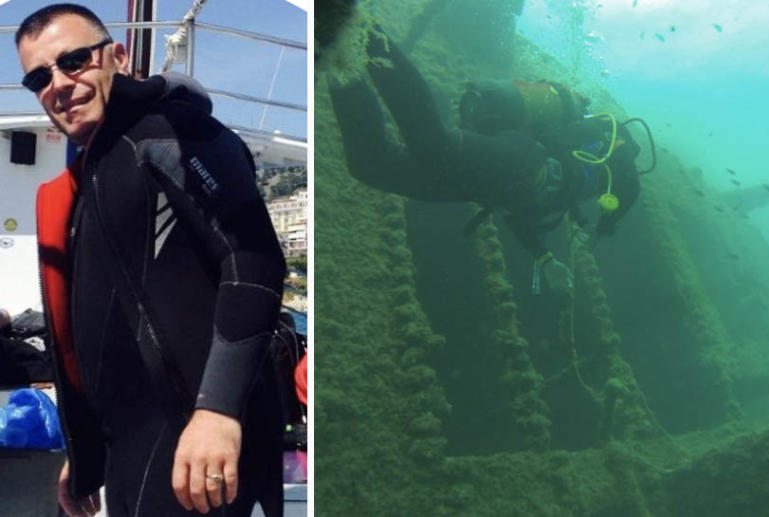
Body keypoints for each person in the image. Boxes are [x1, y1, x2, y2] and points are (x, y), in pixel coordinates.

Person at [16, 4, 286, 517]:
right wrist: (85, 446)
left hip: (194, 440)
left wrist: (218, 410)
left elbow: (253, 263)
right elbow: (106, 322)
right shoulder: (92, 172)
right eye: (38, 76)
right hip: (131, 448)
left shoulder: (173, 131)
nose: (58, 83)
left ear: (117, 56)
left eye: (74, 60)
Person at [327, 28, 649, 293]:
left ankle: (341, 68)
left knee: (373, 168)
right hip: (526, 160)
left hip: (492, 191)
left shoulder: (571, 195)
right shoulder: (616, 149)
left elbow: (518, 218)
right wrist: (606, 225)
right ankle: (361, 33)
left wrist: (547, 259)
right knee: (434, 145)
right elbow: (630, 188)